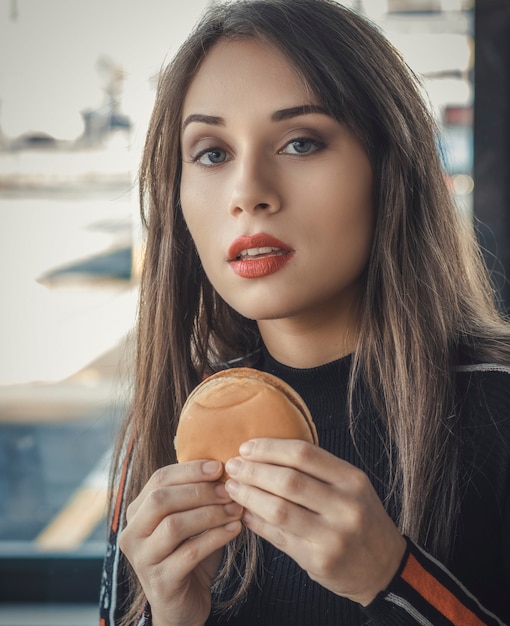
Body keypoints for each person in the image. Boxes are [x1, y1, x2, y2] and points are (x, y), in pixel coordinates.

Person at [99, 1, 510, 624]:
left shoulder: (498, 408)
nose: (247, 193)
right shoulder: (158, 429)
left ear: (388, 167)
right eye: (211, 153)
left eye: (300, 141)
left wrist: (392, 581)